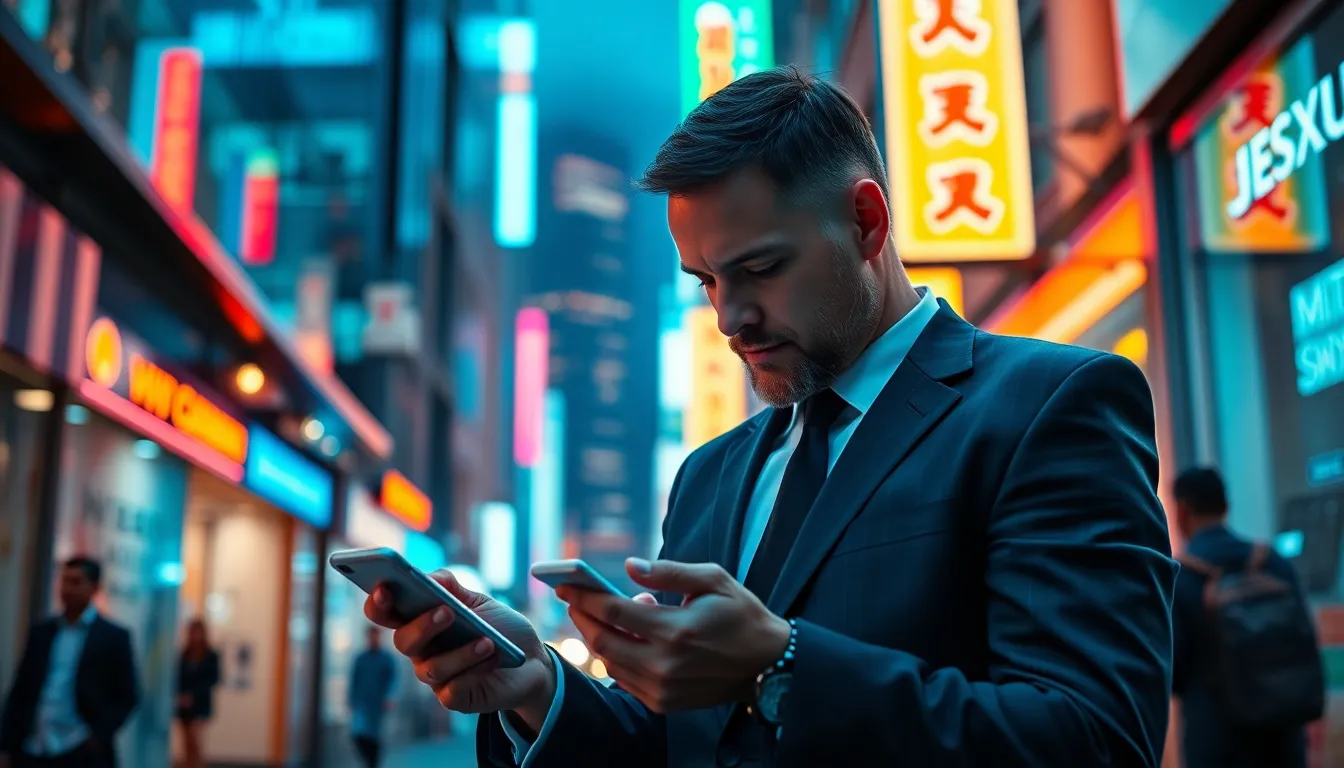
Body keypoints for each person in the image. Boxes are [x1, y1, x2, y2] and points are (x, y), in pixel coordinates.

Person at [366, 66, 1177, 767]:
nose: (729, 317)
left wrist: (782, 666)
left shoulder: (1050, 405)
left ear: (867, 222)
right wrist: (538, 687)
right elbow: (687, 744)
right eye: (707, 282)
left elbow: (1098, 740)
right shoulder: (711, 475)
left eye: (760, 269)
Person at [1171, 467, 1318, 768]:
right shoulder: (1273, 563)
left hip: (1216, 741)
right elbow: (1305, 639)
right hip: (1283, 737)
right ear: (1226, 506)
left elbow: (1174, 672)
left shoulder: (1181, 578)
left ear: (1182, 511)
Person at [0, 557, 139, 768]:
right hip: (34, 746)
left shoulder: (113, 637)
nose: (67, 589)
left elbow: (128, 695)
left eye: (76, 582)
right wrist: (6, 742)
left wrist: (97, 735)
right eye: (64, 581)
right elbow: (21, 690)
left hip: (78, 749)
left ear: (93, 588)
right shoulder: (42, 632)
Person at [348, 626, 397, 767]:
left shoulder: (386, 659)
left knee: (375, 736)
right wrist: (352, 699)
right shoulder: (361, 658)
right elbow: (354, 680)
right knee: (358, 734)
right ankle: (369, 762)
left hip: (378, 704)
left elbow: (393, 680)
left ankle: (373, 763)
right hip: (362, 703)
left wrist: (390, 696)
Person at [175, 619, 221, 768]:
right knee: (186, 743)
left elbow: (213, 679)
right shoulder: (184, 654)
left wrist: (193, 695)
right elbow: (178, 678)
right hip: (184, 705)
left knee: (196, 741)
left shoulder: (211, 655)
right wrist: (181, 696)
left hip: (200, 704)